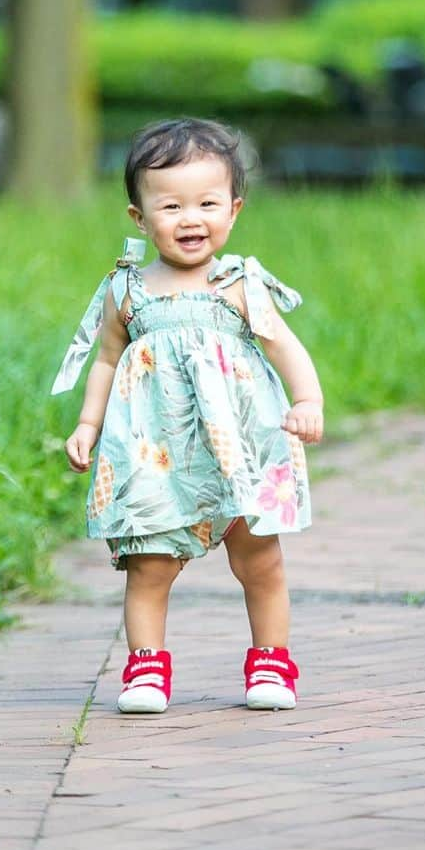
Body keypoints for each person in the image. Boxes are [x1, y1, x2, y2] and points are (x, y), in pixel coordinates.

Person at [51, 117, 324, 716]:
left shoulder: (238, 284)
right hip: (156, 451)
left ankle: (271, 660)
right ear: (139, 218)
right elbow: (105, 361)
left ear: (234, 210)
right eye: (170, 205)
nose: (190, 218)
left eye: (207, 203)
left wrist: (308, 402)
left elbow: (284, 346)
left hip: (240, 448)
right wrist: (87, 427)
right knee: (149, 564)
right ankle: (146, 667)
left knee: (260, 557)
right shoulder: (128, 291)